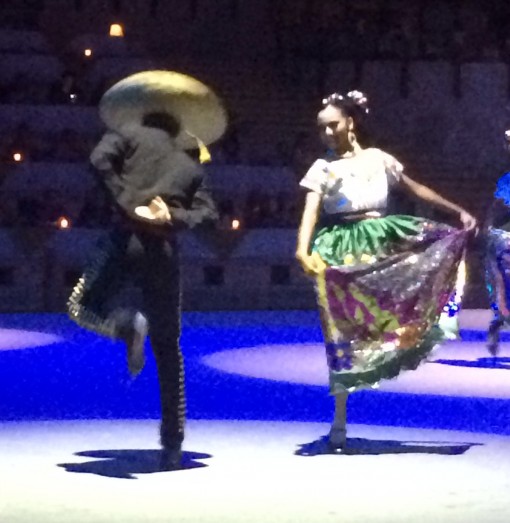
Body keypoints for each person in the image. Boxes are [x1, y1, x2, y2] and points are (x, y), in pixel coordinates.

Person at [295, 90, 477, 451]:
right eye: (322, 129)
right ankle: (340, 419)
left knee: (420, 274)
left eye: (333, 125)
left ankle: (413, 332)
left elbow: (415, 188)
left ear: (351, 122)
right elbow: (310, 211)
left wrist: (456, 209)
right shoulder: (322, 168)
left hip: (380, 238)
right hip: (340, 249)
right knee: (341, 333)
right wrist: (302, 249)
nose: (328, 133)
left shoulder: (379, 158)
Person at [67, 71, 226, 470]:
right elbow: (209, 215)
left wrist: (126, 202)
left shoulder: (129, 135)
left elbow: (98, 160)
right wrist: (169, 215)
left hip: (123, 239)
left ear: (146, 115)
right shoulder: (189, 167)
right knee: (169, 349)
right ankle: (172, 444)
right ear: (179, 129)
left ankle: (125, 326)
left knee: (80, 305)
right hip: (163, 251)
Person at [485, 130, 510, 355]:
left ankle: (498, 322)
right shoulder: (506, 180)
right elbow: (498, 208)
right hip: (505, 239)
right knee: (504, 288)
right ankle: (498, 322)